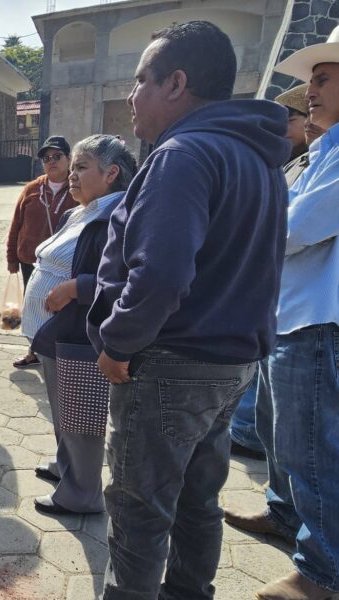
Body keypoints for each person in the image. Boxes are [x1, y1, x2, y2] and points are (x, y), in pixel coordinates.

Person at [85, 21, 290, 599]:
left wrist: (118, 342)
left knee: (139, 514)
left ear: (177, 83)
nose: (131, 95)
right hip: (231, 364)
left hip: (170, 364)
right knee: (198, 502)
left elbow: (163, 274)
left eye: (141, 80)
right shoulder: (256, 157)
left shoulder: (184, 152)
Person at [222, 29, 339, 600]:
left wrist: (248, 231)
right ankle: (285, 516)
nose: (310, 92)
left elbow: (296, 227)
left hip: (318, 320)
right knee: (280, 435)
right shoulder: (323, 152)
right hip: (290, 314)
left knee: (312, 448)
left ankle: (322, 571)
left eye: (322, 79)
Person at [26, 134, 137, 516]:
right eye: (71, 166)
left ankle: (82, 492)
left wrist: (77, 287)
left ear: (112, 173)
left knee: (80, 417)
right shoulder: (83, 211)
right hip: (55, 331)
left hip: (79, 332)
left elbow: (127, 278)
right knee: (63, 411)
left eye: (82, 166)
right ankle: (66, 466)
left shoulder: (119, 215)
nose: (72, 175)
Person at [228, 82, 314, 462]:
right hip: (275, 290)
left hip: (304, 302)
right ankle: (278, 500)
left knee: (306, 440)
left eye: (290, 119)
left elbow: (295, 228)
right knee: (264, 380)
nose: (283, 129)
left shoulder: (322, 161)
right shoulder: (291, 162)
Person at [6, 135, 77, 369]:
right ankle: (34, 351)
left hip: (66, 264)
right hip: (31, 262)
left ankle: (62, 355)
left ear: (69, 159)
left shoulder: (78, 188)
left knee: (63, 309)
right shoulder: (32, 189)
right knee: (35, 307)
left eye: (57, 156)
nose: (51, 162)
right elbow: (16, 224)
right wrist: (12, 259)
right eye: (46, 158)